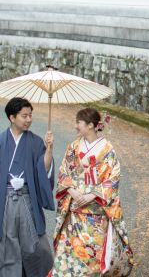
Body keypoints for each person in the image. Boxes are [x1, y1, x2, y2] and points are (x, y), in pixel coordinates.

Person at [0, 97, 55, 277]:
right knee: (7, 246)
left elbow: (43, 169)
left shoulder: (36, 142)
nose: (29, 119)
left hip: (26, 200)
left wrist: (49, 150)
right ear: (12, 117)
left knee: (35, 244)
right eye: (24, 116)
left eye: (30, 115)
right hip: (4, 200)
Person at [52, 108, 134, 276]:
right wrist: (72, 191)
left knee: (92, 256)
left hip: (96, 212)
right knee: (69, 253)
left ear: (90, 125)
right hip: (74, 212)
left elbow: (113, 177)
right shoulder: (73, 147)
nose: (76, 126)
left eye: (79, 123)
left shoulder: (107, 149)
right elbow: (64, 172)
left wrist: (92, 195)